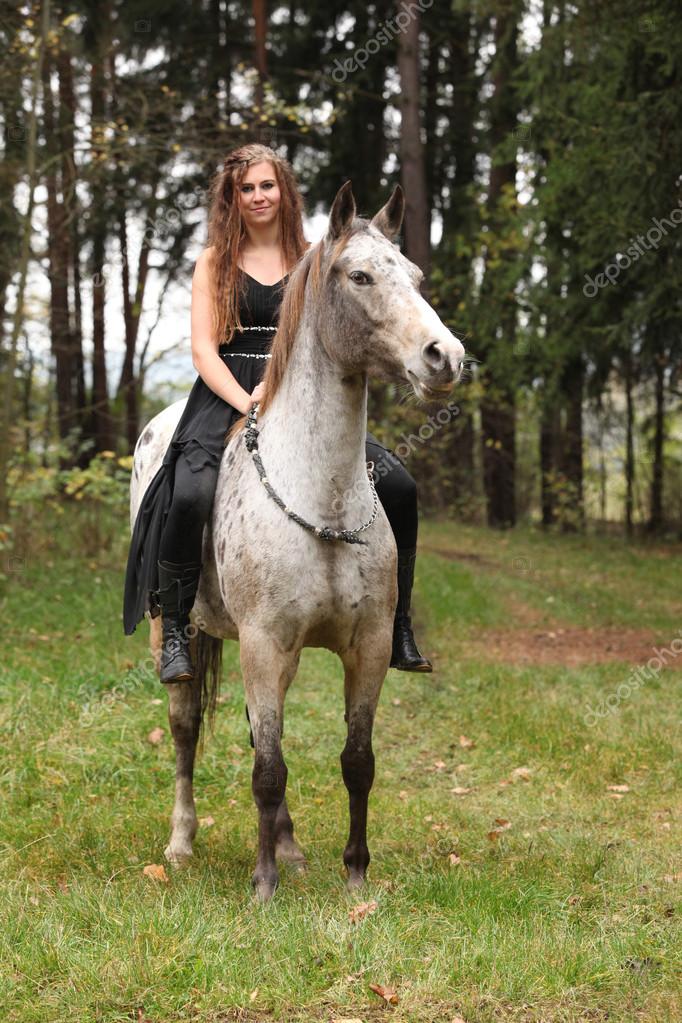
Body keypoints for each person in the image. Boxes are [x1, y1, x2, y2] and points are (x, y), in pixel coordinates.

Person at [123, 143, 433, 681]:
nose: (258, 196)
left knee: (400, 486)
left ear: (283, 191)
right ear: (232, 198)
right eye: (246, 188)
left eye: (267, 185)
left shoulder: (316, 256)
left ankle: (399, 622)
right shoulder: (215, 261)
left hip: (300, 388)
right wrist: (246, 400)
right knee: (190, 491)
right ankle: (176, 624)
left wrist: (280, 383)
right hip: (227, 389)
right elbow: (202, 350)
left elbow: (329, 332)